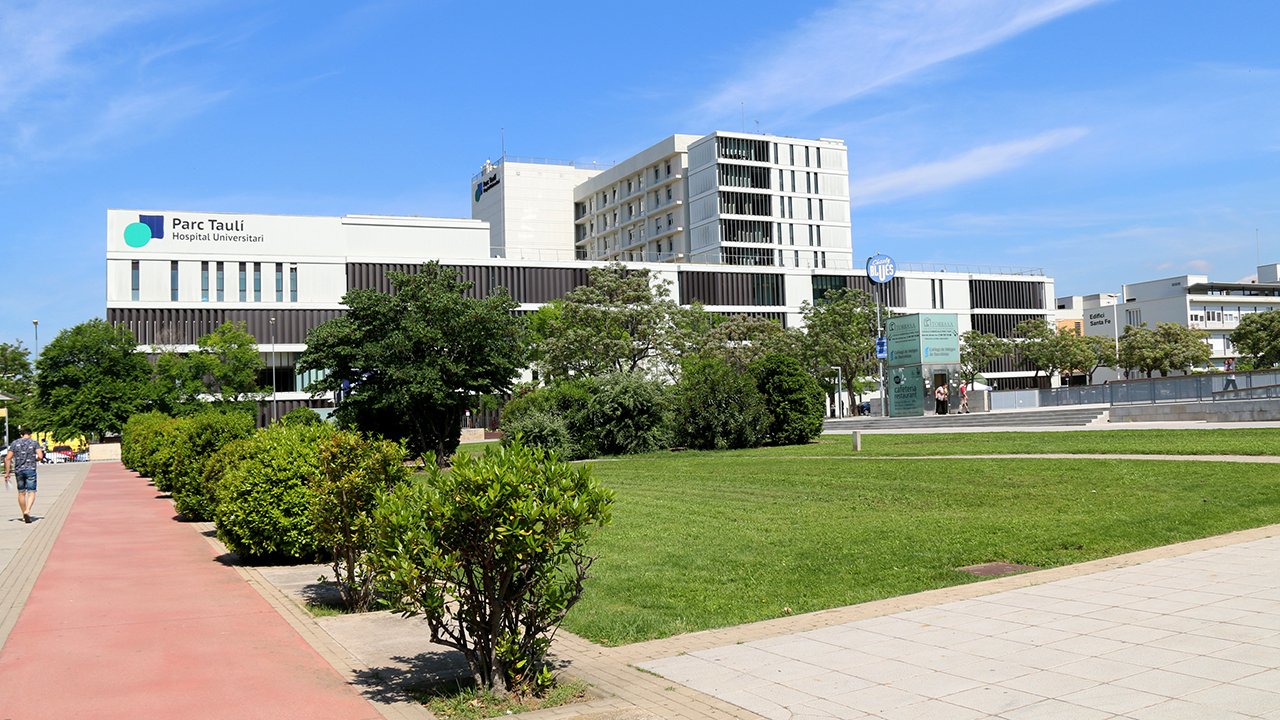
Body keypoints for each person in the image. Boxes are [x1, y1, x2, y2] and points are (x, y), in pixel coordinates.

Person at [5, 428, 44, 524]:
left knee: (21, 493)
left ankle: (24, 514)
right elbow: (40, 456)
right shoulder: (34, 443)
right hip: (30, 470)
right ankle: (27, 510)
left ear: (21, 435)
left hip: (19, 471)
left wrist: (7, 473)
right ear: (30, 434)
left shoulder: (14, 443)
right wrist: (36, 460)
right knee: (31, 492)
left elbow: (7, 458)